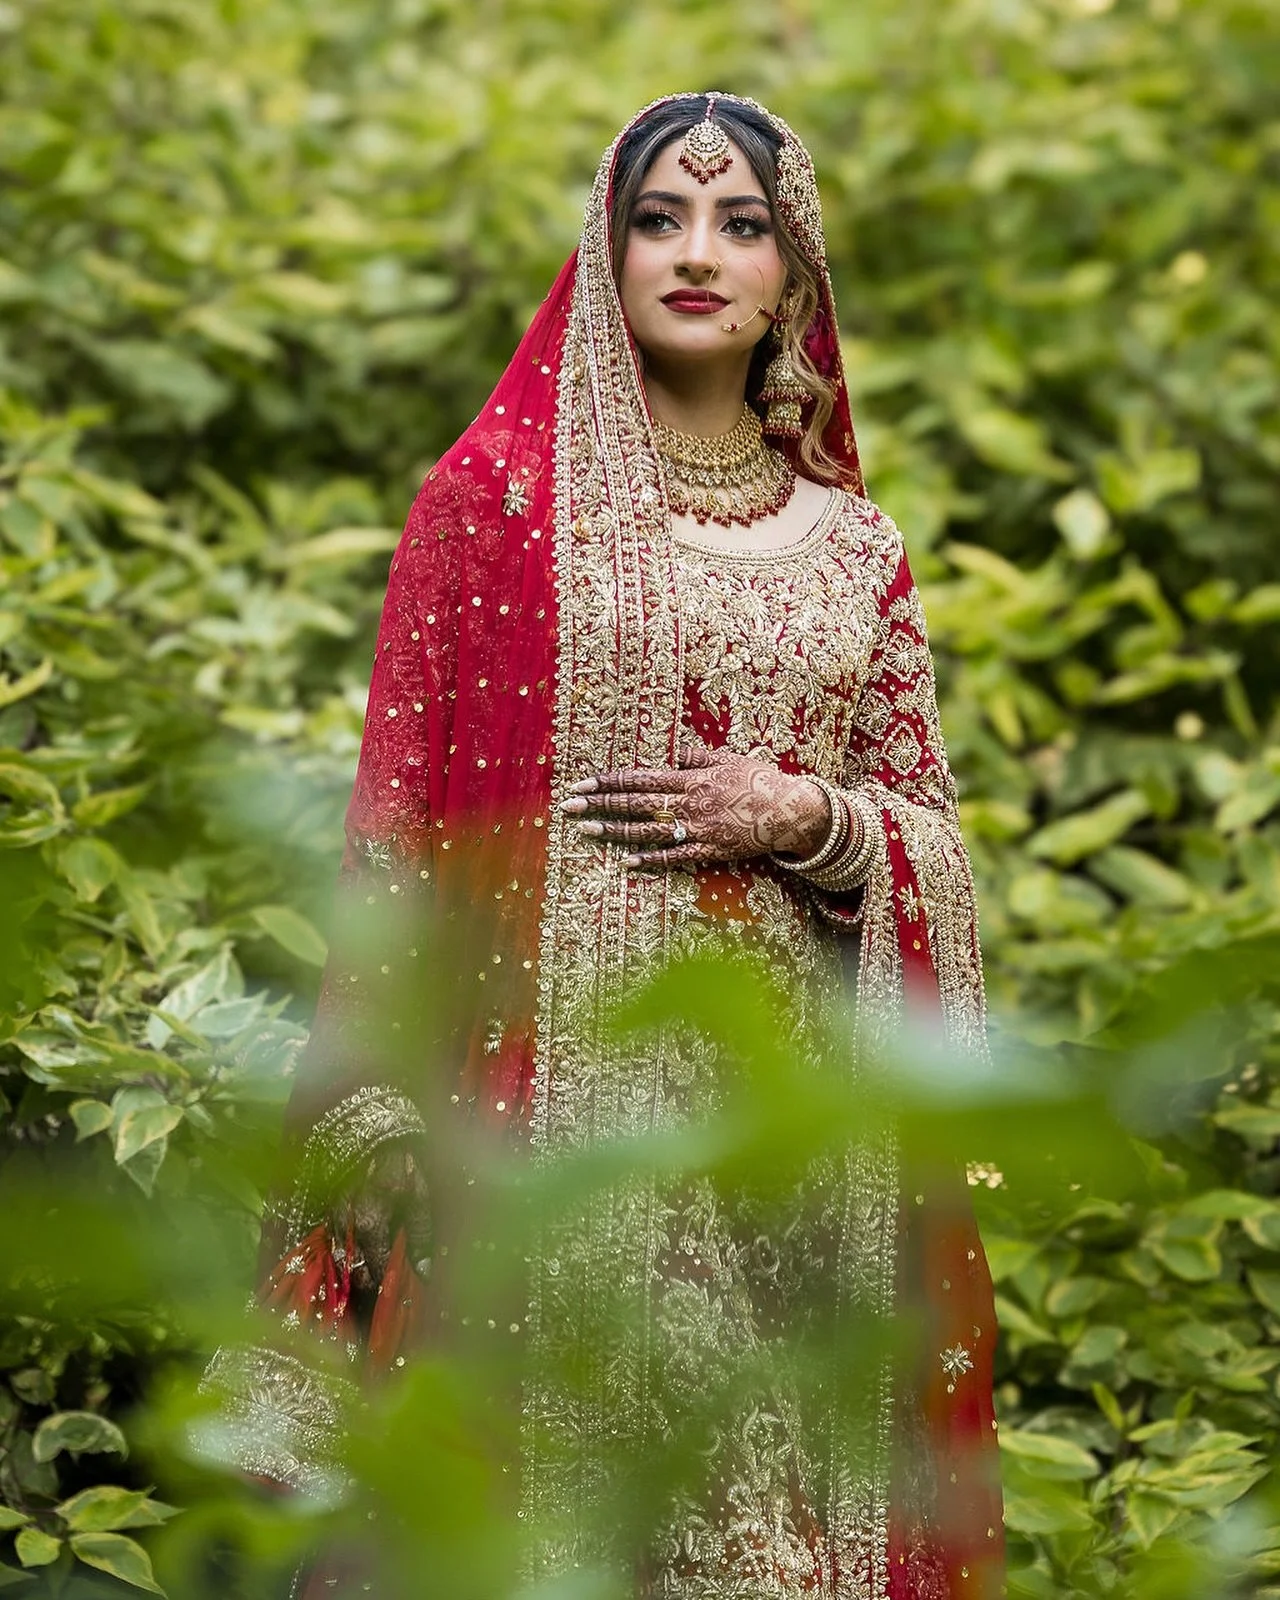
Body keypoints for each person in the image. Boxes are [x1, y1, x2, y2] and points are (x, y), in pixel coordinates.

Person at [204, 93, 1004, 1600]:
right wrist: (377, 1126)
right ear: (609, 245)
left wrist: (814, 819)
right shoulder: (490, 509)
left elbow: (932, 843)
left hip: (792, 1151)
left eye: (742, 222)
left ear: (793, 272)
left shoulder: (856, 546)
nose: (698, 251)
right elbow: (396, 844)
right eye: (661, 217)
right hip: (536, 1131)